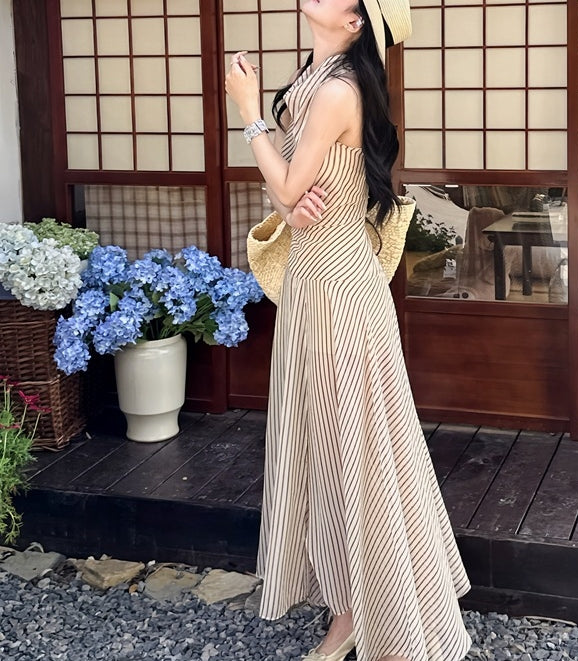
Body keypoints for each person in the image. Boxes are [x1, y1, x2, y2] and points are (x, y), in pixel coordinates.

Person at [225, 2, 473, 660]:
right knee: (323, 445)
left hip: (339, 291)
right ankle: (349, 602)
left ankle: (371, 611)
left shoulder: (338, 90)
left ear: (356, 21)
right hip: (312, 285)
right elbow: (288, 191)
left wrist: (247, 110)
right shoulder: (313, 76)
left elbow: (285, 182)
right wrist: (286, 199)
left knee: (352, 451)